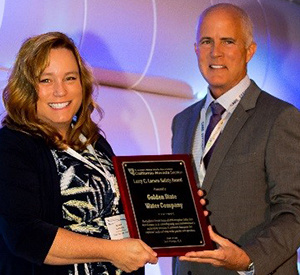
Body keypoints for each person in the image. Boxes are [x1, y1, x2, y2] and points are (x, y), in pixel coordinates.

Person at [0, 32, 158, 275]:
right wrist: (111, 251)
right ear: (27, 88)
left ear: (82, 84)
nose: (60, 91)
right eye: (46, 80)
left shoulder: (94, 142)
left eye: (70, 78)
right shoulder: (12, 146)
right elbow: (25, 235)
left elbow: (120, 208)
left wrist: (175, 201)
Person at [171, 3, 300, 275]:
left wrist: (248, 259)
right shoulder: (182, 122)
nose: (215, 52)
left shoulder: (280, 117)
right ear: (196, 49)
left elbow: (294, 212)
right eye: (206, 41)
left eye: (227, 41)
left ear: (249, 50)